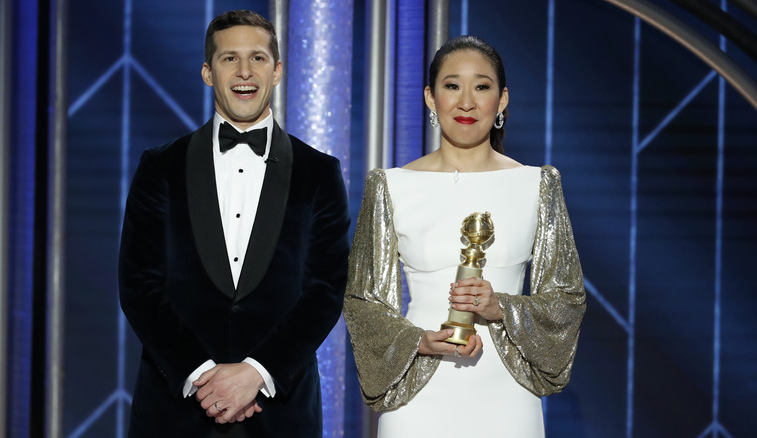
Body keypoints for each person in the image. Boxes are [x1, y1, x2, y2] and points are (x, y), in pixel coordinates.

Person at [118, 9, 350, 437]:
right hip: (176, 412)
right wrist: (204, 377)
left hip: (280, 414)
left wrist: (255, 374)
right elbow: (138, 284)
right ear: (208, 72)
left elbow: (326, 290)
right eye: (229, 59)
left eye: (258, 58)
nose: (245, 71)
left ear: (277, 70)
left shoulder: (320, 172)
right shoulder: (160, 166)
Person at [344, 35, 586, 437]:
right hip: (418, 396)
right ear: (429, 97)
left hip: (507, 395)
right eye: (452, 86)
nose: (467, 102)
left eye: (483, 86)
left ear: (502, 99)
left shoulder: (537, 184)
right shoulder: (391, 185)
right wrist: (418, 342)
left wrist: (502, 308)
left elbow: (567, 298)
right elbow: (363, 302)